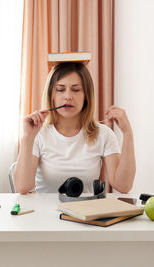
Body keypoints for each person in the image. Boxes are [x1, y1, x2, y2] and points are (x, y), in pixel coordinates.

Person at [14, 62, 135, 194]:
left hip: (85, 212)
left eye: (76, 90)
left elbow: (123, 186)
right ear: (51, 95)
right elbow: (22, 187)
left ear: (86, 96)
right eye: (60, 89)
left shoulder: (104, 134)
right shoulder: (38, 134)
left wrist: (127, 133)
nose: (68, 96)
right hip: (45, 212)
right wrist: (27, 138)